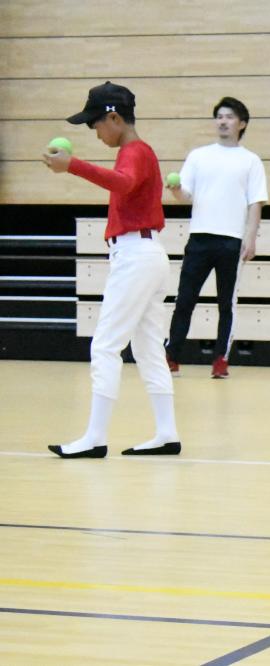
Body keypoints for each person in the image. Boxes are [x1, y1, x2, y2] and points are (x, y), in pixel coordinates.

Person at [42, 81, 181, 458]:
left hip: (135, 256)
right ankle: (167, 433)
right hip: (149, 254)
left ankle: (94, 437)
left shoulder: (134, 152)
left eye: (95, 124)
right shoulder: (139, 151)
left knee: (105, 345)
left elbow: (123, 184)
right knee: (149, 347)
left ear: (114, 117)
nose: (94, 132)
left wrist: (72, 166)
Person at [164, 96, 268, 379]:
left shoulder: (251, 161)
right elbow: (185, 194)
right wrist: (174, 190)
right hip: (199, 239)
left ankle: (221, 359)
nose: (223, 121)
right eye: (219, 116)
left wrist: (251, 237)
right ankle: (171, 356)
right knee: (185, 299)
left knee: (226, 304)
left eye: (230, 117)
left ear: (242, 123)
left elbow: (256, 202)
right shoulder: (198, 156)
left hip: (231, 241)